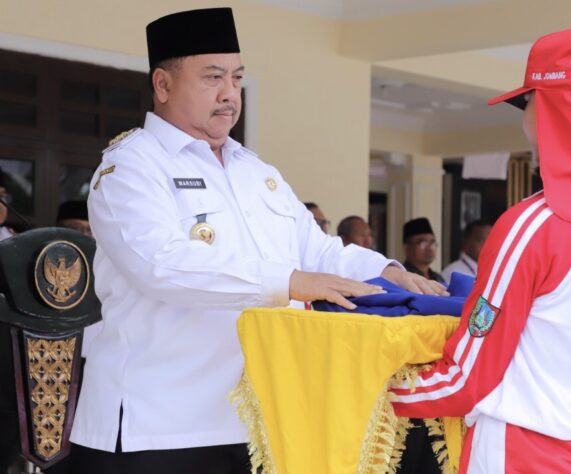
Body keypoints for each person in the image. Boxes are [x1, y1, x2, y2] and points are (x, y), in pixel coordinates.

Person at [69, 8, 445, 474]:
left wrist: (386, 273)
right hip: (160, 425)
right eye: (212, 77)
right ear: (162, 85)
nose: (229, 93)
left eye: (237, 77)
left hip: (258, 422)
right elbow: (161, 264)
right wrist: (288, 282)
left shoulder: (256, 171)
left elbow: (317, 250)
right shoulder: (132, 165)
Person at [390, 26, 571, 473]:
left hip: (531, 453)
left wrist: (368, 390)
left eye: (528, 102)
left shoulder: (533, 227)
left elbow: (467, 376)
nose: (524, 121)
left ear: (553, 109)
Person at [402, 217, 444, 284]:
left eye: (432, 242)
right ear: (406, 247)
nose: (429, 248)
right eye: (423, 243)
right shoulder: (402, 276)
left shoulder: (438, 278)